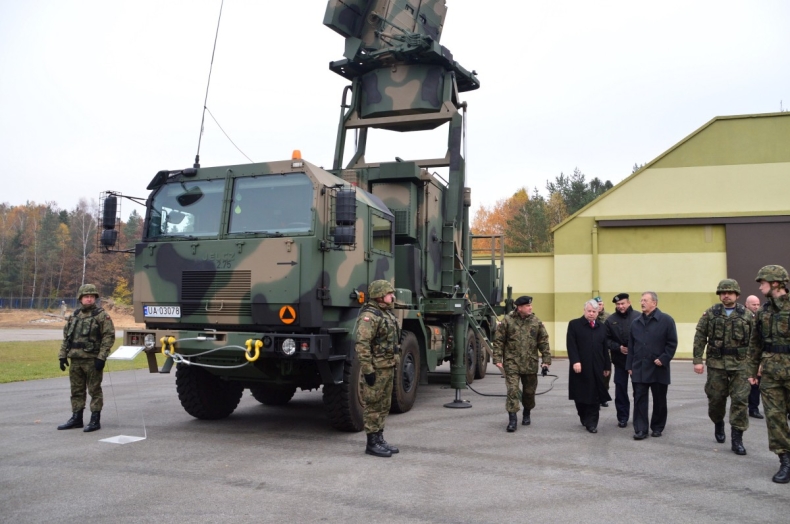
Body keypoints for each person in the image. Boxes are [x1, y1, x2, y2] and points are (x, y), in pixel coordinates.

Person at [692, 279, 753, 455]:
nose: (726, 295)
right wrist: (697, 360)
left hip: (741, 365)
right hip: (716, 364)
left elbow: (755, 341)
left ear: (737, 295)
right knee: (716, 398)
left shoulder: (747, 315)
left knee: (740, 401)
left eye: (730, 292)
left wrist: (757, 364)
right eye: (723, 293)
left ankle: (737, 439)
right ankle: (718, 422)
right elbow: (700, 336)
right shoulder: (711, 313)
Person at [748, 265, 790, 483]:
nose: (760, 285)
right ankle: (785, 461)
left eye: (762, 281)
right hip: (771, 374)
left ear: (775, 283)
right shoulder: (763, 312)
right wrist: (751, 370)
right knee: (775, 418)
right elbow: (755, 343)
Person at [57, 284, 115, 432]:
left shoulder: (101, 315)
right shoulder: (74, 316)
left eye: (92, 296)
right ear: (81, 298)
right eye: (86, 296)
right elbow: (67, 338)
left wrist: (102, 357)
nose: (89, 299)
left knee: (94, 390)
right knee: (76, 390)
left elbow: (108, 337)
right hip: (75, 360)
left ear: (95, 298)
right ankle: (76, 418)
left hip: (92, 359)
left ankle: (95, 419)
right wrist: (62, 356)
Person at [354, 279, 400, 458]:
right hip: (377, 368)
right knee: (373, 404)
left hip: (388, 366)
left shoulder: (385, 313)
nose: (392, 296)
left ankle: (379, 438)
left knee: (384, 404)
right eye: (389, 293)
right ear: (380, 295)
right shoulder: (370, 316)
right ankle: (371, 443)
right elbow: (362, 344)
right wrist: (368, 370)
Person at [493, 295, 551, 432]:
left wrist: (546, 361)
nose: (530, 308)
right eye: (527, 306)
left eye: (530, 305)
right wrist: (497, 359)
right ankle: (512, 420)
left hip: (530, 363)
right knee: (512, 390)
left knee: (529, 392)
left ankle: (527, 412)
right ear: (519, 308)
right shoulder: (507, 321)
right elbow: (499, 341)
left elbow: (543, 342)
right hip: (512, 362)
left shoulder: (536, 322)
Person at [626, 291, 678, 440]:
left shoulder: (666, 320)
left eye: (645, 300)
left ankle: (657, 427)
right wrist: (629, 365)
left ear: (654, 303)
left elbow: (672, 343)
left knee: (659, 399)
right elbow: (631, 346)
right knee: (639, 399)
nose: (642, 303)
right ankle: (641, 429)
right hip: (639, 368)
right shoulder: (635, 323)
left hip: (658, 367)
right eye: (641, 300)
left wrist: (664, 358)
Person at [567, 300, 611, 433]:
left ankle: (592, 422)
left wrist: (607, 366)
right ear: (584, 311)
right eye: (589, 311)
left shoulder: (602, 327)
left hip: (597, 366)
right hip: (580, 366)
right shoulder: (574, 324)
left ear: (598, 313)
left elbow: (605, 348)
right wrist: (575, 361)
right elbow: (571, 345)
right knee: (580, 395)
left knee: (595, 395)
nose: (591, 314)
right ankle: (583, 416)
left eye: (594, 312)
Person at [605, 293, 641, 428]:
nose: (620, 306)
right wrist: (618, 347)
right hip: (619, 361)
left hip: (636, 362)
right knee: (620, 390)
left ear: (629, 302)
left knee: (639, 390)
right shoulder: (610, 320)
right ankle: (622, 417)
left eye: (623, 303)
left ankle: (639, 418)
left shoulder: (638, 317)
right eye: (618, 304)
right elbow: (606, 340)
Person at [744, 294, 764, 419]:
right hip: (748, 355)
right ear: (747, 304)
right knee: (753, 383)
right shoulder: (744, 317)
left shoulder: (761, 317)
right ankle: (752, 408)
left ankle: (753, 408)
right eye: (753, 304)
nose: (756, 307)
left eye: (757, 304)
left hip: (761, 355)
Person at [594, 296, 611, 407]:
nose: (599, 306)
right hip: (594, 350)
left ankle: (603, 395)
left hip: (606, 350)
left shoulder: (609, 318)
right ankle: (595, 395)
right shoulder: (590, 316)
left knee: (606, 374)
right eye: (597, 304)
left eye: (600, 304)